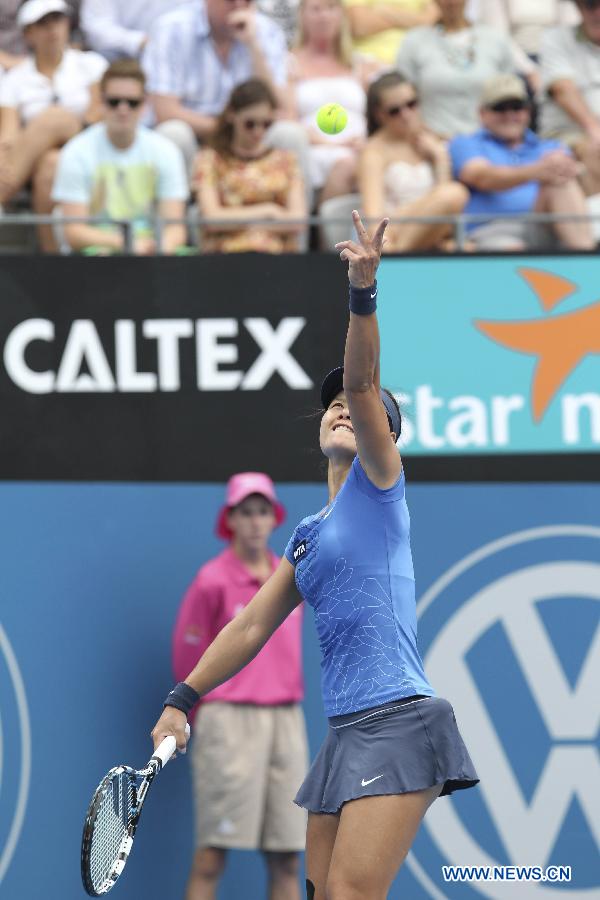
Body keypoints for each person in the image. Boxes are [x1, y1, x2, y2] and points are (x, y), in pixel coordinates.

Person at [151, 207, 479, 900]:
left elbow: (361, 384)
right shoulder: (305, 534)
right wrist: (184, 698)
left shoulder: (379, 491)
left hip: (398, 720)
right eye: (332, 405)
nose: (344, 407)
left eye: (362, 412)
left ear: (381, 435)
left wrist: (363, 292)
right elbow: (247, 627)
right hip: (345, 733)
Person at [173, 472, 307, 900]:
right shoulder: (212, 579)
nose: (254, 521)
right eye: (244, 512)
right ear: (229, 519)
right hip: (227, 722)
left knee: (287, 857)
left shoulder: (291, 576)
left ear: (274, 519)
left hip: (286, 721)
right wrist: (185, 712)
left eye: (262, 511)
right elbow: (187, 656)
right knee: (212, 854)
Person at [142, 0, 307, 181]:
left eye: (247, 1)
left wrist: (253, 46)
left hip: (252, 134)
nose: (238, 6)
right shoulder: (172, 28)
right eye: (230, 1)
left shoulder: (266, 31)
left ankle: (298, 209)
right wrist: (226, 129)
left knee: (291, 134)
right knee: (173, 132)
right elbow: (165, 112)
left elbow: (282, 108)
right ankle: (178, 206)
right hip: (196, 134)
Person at [52, 59, 188, 255]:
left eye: (132, 103)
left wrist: (159, 250)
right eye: (114, 102)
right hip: (97, 256)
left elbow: (175, 227)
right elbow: (74, 232)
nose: (123, 109)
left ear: (144, 104)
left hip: (152, 254)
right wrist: (126, 243)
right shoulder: (76, 152)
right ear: (101, 101)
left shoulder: (166, 151)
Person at [0, 0, 106, 251]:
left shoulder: (90, 63)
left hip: (89, 142)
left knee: (54, 119)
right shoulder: (15, 78)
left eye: (58, 20)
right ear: (28, 33)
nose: (53, 30)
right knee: (52, 164)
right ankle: (53, 260)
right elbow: (9, 133)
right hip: (38, 159)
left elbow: (97, 113)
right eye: (43, 23)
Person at [450, 73, 595, 250]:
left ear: (528, 111)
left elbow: (573, 175)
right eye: (500, 107)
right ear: (482, 113)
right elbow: (479, 175)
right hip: (491, 229)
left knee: (561, 181)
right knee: (513, 251)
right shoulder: (466, 143)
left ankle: (588, 262)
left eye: (517, 107)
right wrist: (536, 171)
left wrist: (572, 169)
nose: (510, 114)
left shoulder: (549, 145)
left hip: (543, 226)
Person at [359, 72, 468, 251]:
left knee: (454, 200)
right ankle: (399, 257)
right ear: (380, 115)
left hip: (433, 233)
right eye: (395, 111)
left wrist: (439, 158)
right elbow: (373, 218)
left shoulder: (432, 140)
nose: (406, 114)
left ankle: (403, 255)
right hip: (390, 233)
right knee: (454, 193)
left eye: (411, 104)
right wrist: (384, 246)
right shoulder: (373, 151)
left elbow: (447, 210)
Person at [194, 79, 306, 253]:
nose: (258, 132)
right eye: (250, 124)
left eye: (266, 124)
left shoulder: (286, 160)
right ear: (232, 115)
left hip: (279, 260)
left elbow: (298, 221)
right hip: (223, 259)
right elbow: (211, 219)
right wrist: (268, 212)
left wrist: (234, 221)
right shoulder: (210, 159)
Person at [290, 0, 373, 204]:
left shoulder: (360, 64)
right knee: (348, 164)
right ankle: (319, 232)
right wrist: (330, 142)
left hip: (357, 150)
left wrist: (366, 141)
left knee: (366, 161)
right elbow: (287, 119)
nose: (324, 16)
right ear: (302, 15)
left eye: (331, 8)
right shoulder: (289, 64)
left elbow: (376, 117)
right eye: (316, 9)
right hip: (312, 151)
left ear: (341, 15)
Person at [396, 0, 516, 139]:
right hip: (434, 142)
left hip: (491, 142)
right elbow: (403, 99)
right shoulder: (414, 41)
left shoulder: (495, 38)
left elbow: (510, 94)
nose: (451, 2)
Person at [539, 0, 600, 195]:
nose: (597, 13)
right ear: (579, 7)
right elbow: (563, 90)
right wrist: (594, 129)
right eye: (590, 5)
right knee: (594, 149)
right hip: (568, 136)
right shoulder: (556, 38)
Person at [80, 0, 192, 61]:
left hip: (175, 50)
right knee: (98, 61)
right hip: (122, 53)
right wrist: (140, 41)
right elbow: (96, 27)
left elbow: (196, 18)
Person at [343, 0, 439, 67]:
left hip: (416, 62)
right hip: (369, 61)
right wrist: (413, 19)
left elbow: (429, 22)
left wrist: (387, 11)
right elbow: (360, 25)